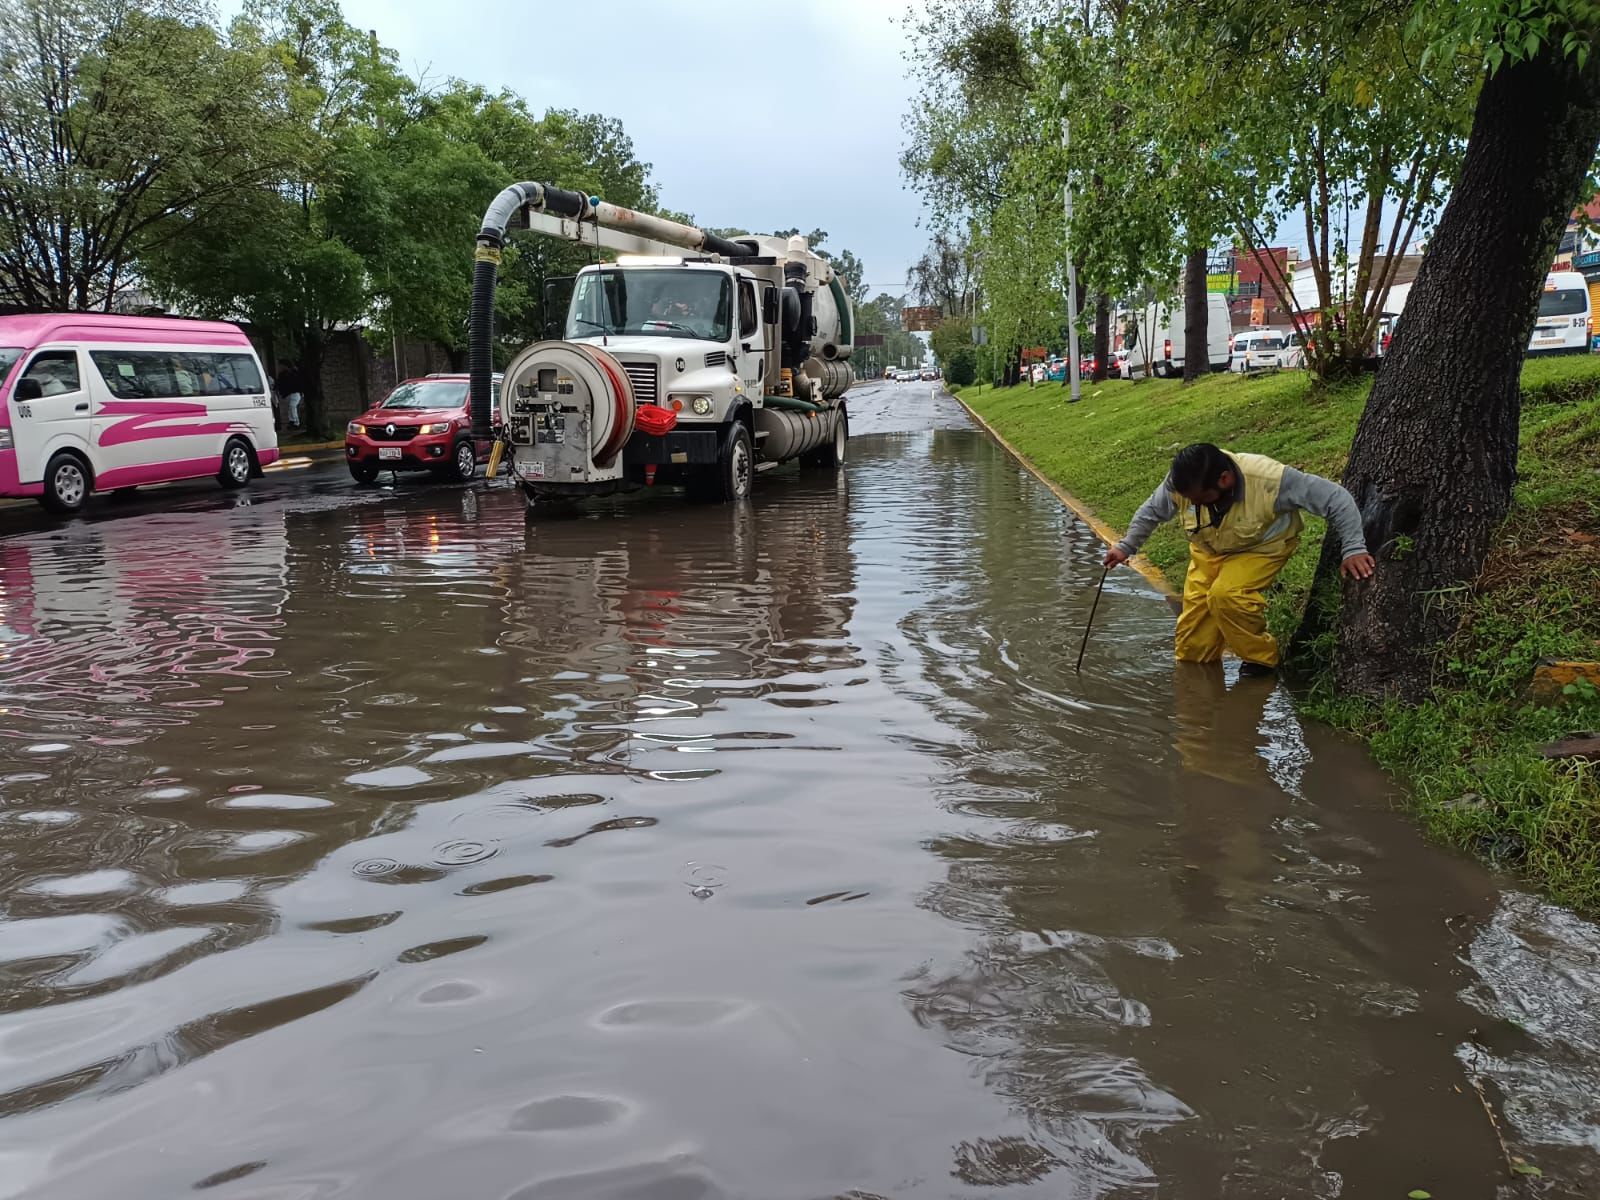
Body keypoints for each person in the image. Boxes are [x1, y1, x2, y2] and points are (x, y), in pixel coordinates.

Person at [1103, 443, 1375, 676]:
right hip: (1209, 551)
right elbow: (1151, 512)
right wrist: (1126, 547)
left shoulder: (1270, 481)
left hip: (1260, 548)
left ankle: (1262, 660)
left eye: (1201, 500)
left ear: (1225, 480)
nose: (1193, 505)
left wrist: (1353, 548)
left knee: (1227, 596)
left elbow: (1336, 498)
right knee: (1191, 648)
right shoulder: (1181, 483)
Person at [275, 363, 304, 431]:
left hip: (295, 392)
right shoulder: (282, 375)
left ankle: (294, 422)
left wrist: (301, 391)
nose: (280, 367)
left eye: (281, 366)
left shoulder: (295, 373)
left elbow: (300, 382)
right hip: (286, 394)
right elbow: (279, 383)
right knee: (290, 408)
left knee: (292, 406)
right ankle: (294, 422)